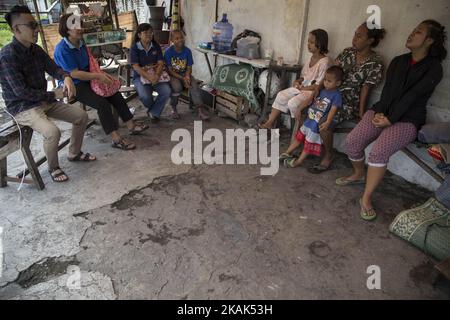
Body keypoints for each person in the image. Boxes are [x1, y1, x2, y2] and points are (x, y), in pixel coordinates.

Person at [336, 20, 446, 222]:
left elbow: (413, 96)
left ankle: (366, 198)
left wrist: (391, 119)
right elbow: (388, 92)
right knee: (352, 141)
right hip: (383, 111)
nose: (411, 34)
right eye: (413, 29)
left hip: (409, 120)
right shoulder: (398, 61)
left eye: (418, 32)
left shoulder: (434, 68)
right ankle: (359, 173)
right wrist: (381, 113)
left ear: (429, 40)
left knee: (379, 151)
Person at [0, 6, 94, 183]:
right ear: (16, 29)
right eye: (32, 25)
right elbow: (21, 92)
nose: (36, 29)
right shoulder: (7, 56)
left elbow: (54, 69)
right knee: (52, 132)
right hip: (21, 107)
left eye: (36, 24)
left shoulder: (36, 49)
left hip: (42, 101)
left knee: (81, 116)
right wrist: (53, 94)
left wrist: (66, 77)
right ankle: (53, 167)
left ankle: (74, 153)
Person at [54, 14, 148, 151]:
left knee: (115, 94)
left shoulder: (81, 43)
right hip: (74, 84)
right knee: (102, 103)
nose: (80, 29)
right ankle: (116, 139)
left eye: (80, 25)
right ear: (66, 30)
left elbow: (90, 65)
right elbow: (73, 73)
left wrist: (98, 75)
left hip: (90, 78)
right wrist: (98, 76)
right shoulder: (62, 49)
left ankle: (131, 126)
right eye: (75, 27)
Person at [308, 23, 385, 174]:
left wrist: (362, 112)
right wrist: (319, 87)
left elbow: (366, 88)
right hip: (329, 95)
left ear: (370, 40)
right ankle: (306, 146)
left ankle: (328, 155)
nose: (354, 38)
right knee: (308, 107)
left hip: (347, 103)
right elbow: (331, 72)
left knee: (324, 122)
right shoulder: (347, 53)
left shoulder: (375, 62)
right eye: (355, 34)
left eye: (359, 36)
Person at [259, 29, 332, 129]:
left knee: (292, 103)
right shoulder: (311, 58)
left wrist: (303, 89)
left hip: (312, 93)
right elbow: (304, 76)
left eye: (311, 42)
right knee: (281, 95)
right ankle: (269, 123)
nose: (308, 44)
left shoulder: (325, 62)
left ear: (320, 43)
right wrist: (298, 81)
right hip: (302, 89)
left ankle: (298, 129)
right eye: (308, 41)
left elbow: (319, 85)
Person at [281, 66, 343, 168]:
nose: (326, 83)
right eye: (325, 80)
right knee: (299, 137)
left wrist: (328, 121)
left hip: (315, 125)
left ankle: (299, 161)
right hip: (309, 120)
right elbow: (311, 101)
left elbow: (333, 110)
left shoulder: (336, 95)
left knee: (308, 144)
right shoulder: (321, 91)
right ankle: (287, 152)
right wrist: (299, 109)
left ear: (338, 83)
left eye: (329, 81)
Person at [164, 30, 210, 120]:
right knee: (176, 87)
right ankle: (174, 109)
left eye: (181, 37)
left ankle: (200, 110)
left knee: (194, 85)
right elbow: (169, 70)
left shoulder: (187, 51)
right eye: (176, 38)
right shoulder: (168, 52)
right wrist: (182, 78)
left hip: (185, 74)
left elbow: (189, 67)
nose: (180, 40)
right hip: (173, 75)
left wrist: (187, 76)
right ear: (172, 40)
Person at [130, 23, 171, 123]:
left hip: (157, 75)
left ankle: (153, 112)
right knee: (145, 97)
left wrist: (156, 76)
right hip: (140, 77)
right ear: (139, 35)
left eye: (150, 32)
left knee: (166, 91)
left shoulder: (155, 46)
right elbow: (136, 67)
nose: (149, 34)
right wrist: (149, 77)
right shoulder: (134, 48)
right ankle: (154, 111)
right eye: (145, 32)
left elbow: (160, 63)